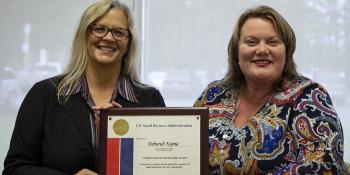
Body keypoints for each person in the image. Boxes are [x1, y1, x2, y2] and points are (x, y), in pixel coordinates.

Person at [3, 0, 165, 174]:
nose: (109, 38)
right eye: (99, 29)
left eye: (119, 32)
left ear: (129, 43)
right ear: (84, 35)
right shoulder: (45, 94)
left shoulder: (151, 99)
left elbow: (162, 167)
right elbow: (15, 168)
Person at [194, 5, 347, 175]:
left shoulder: (309, 97)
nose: (261, 50)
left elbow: (325, 168)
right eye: (251, 42)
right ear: (236, 53)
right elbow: (184, 148)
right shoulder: (213, 94)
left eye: (272, 42)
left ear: (286, 53)